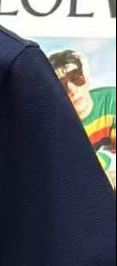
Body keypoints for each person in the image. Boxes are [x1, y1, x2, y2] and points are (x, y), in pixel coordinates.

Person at [48, 48, 116, 187]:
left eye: (76, 78)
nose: (71, 89)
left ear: (87, 78)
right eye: (61, 85)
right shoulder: (52, 125)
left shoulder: (112, 101)